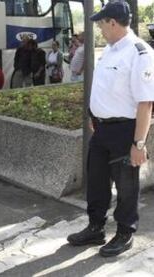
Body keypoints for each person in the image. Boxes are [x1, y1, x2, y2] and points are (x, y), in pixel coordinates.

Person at [67, 1, 154, 257]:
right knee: (96, 182)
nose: (100, 28)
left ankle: (125, 232)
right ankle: (96, 227)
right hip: (102, 131)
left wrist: (139, 144)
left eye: (102, 23)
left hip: (125, 131)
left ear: (113, 23)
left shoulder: (140, 53)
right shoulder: (111, 49)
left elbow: (145, 103)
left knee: (126, 186)